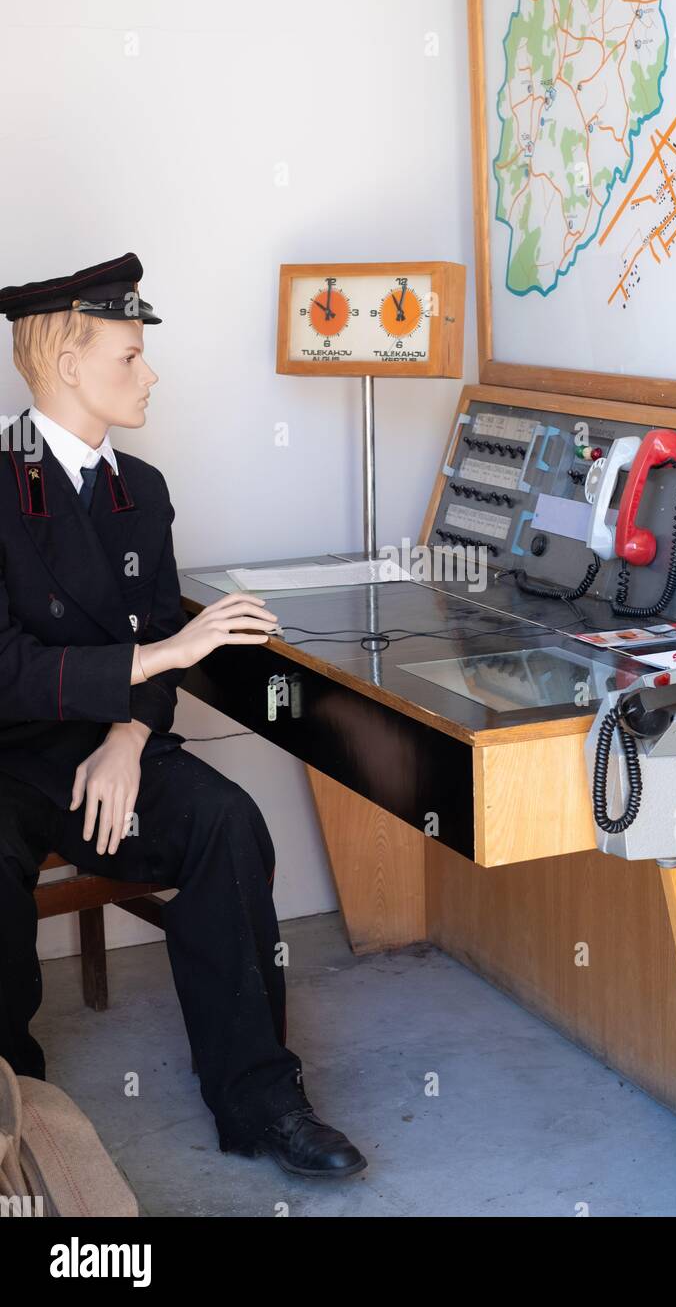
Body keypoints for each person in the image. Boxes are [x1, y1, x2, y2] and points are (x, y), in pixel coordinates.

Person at [0, 252, 367, 1180]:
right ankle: (9, 1108)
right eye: (130, 357)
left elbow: (162, 635)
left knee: (227, 824)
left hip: (106, 746)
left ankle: (262, 1101)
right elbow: (9, 668)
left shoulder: (142, 491)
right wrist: (156, 660)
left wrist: (129, 734)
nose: (150, 374)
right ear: (68, 364)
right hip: (6, 757)